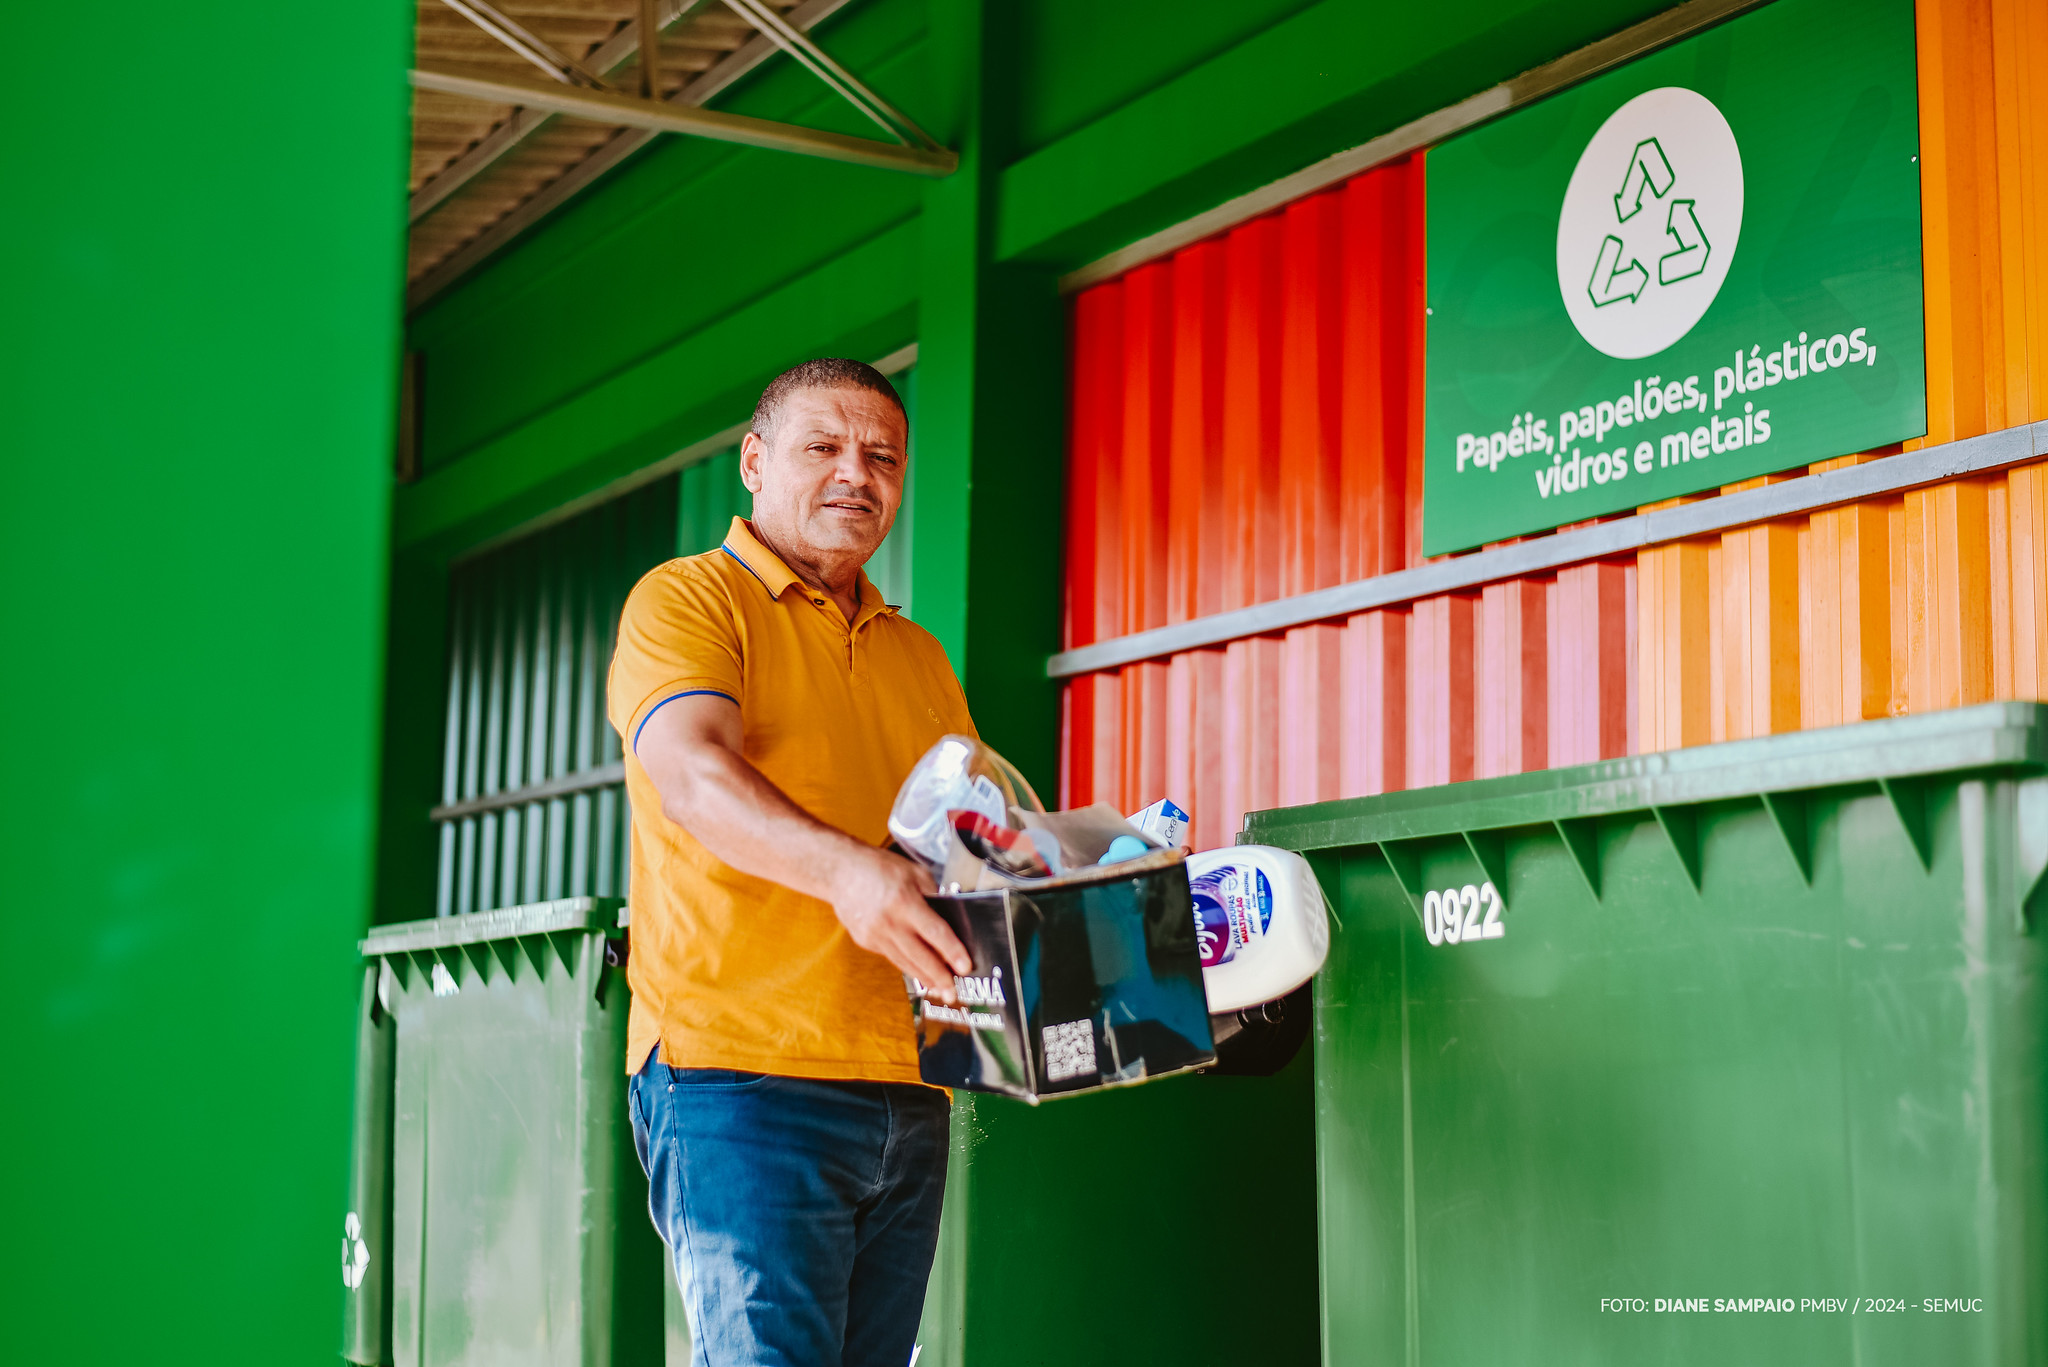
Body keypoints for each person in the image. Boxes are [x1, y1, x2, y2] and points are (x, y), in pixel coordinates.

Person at [606, 357, 975, 1367]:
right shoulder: (686, 601)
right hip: (740, 1076)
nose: (856, 473)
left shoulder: (918, 656)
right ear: (754, 462)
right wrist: (849, 872)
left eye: (882, 457)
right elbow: (690, 773)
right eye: (823, 447)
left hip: (910, 1084)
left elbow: (964, 844)